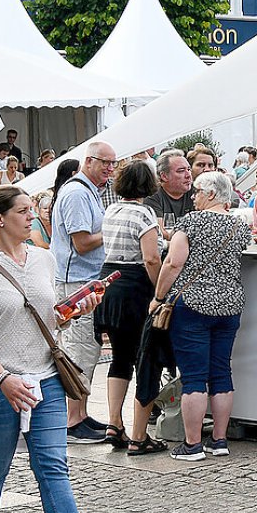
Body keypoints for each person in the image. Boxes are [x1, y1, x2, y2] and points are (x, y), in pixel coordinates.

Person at [0, 185, 114, 513]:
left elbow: (48, 320)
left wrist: (76, 313)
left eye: (33, 211)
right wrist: (4, 378)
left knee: (52, 467)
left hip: (46, 380)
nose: (33, 217)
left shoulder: (44, 260)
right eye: (24, 212)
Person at [151, 170, 251, 461]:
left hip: (192, 305)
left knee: (194, 376)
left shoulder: (190, 222)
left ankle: (193, 444)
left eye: (196, 191)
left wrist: (158, 297)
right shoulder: (238, 226)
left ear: (210, 195)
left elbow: (173, 263)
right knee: (221, 372)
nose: (192, 196)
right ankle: (219, 440)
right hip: (229, 305)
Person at [47, 141, 115, 442]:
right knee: (77, 348)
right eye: (105, 163)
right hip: (75, 282)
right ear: (89, 161)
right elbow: (82, 242)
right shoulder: (76, 193)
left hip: (85, 279)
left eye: (113, 164)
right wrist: (111, 230)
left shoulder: (87, 191)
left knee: (88, 348)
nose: (110, 169)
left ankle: (81, 413)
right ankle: (72, 420)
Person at [95, 162, 165, 454]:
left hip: (109, 283)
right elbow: (150, 258)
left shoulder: (111, 210)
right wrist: (159, 290)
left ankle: (114, 423)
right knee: (146, 358)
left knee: (120, 358)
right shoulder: (144, 213)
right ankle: (139, 436)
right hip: (135, 286)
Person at [147, 149, 195, 240]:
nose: (188, 175)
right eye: (181, 171)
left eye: (189, 169)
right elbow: (160, 233)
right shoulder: (153, 196)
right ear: (164, 176)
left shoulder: (196, 192)